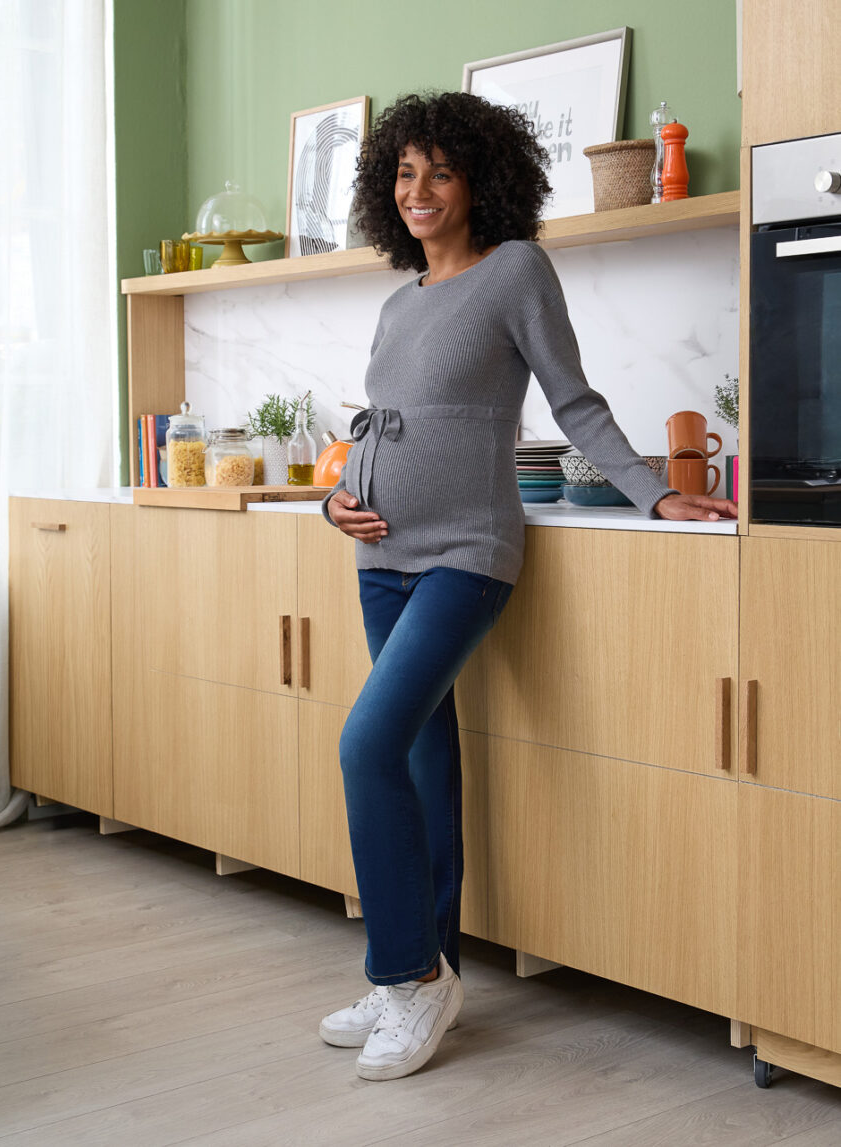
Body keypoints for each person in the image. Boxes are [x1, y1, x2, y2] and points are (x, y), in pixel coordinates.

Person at [317, 91, 738, 1083]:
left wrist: (651, 494)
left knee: (364, 743)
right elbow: (380, 427)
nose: (416, 190)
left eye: (438, 171)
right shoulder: (396, 299)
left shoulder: (513, 271)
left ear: (478, 181)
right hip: (376, 555)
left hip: (468, 552)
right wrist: (339, 500)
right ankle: (426, 974)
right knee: (420, 759)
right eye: (403, 172)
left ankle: (405, 972)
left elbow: (573, 399)